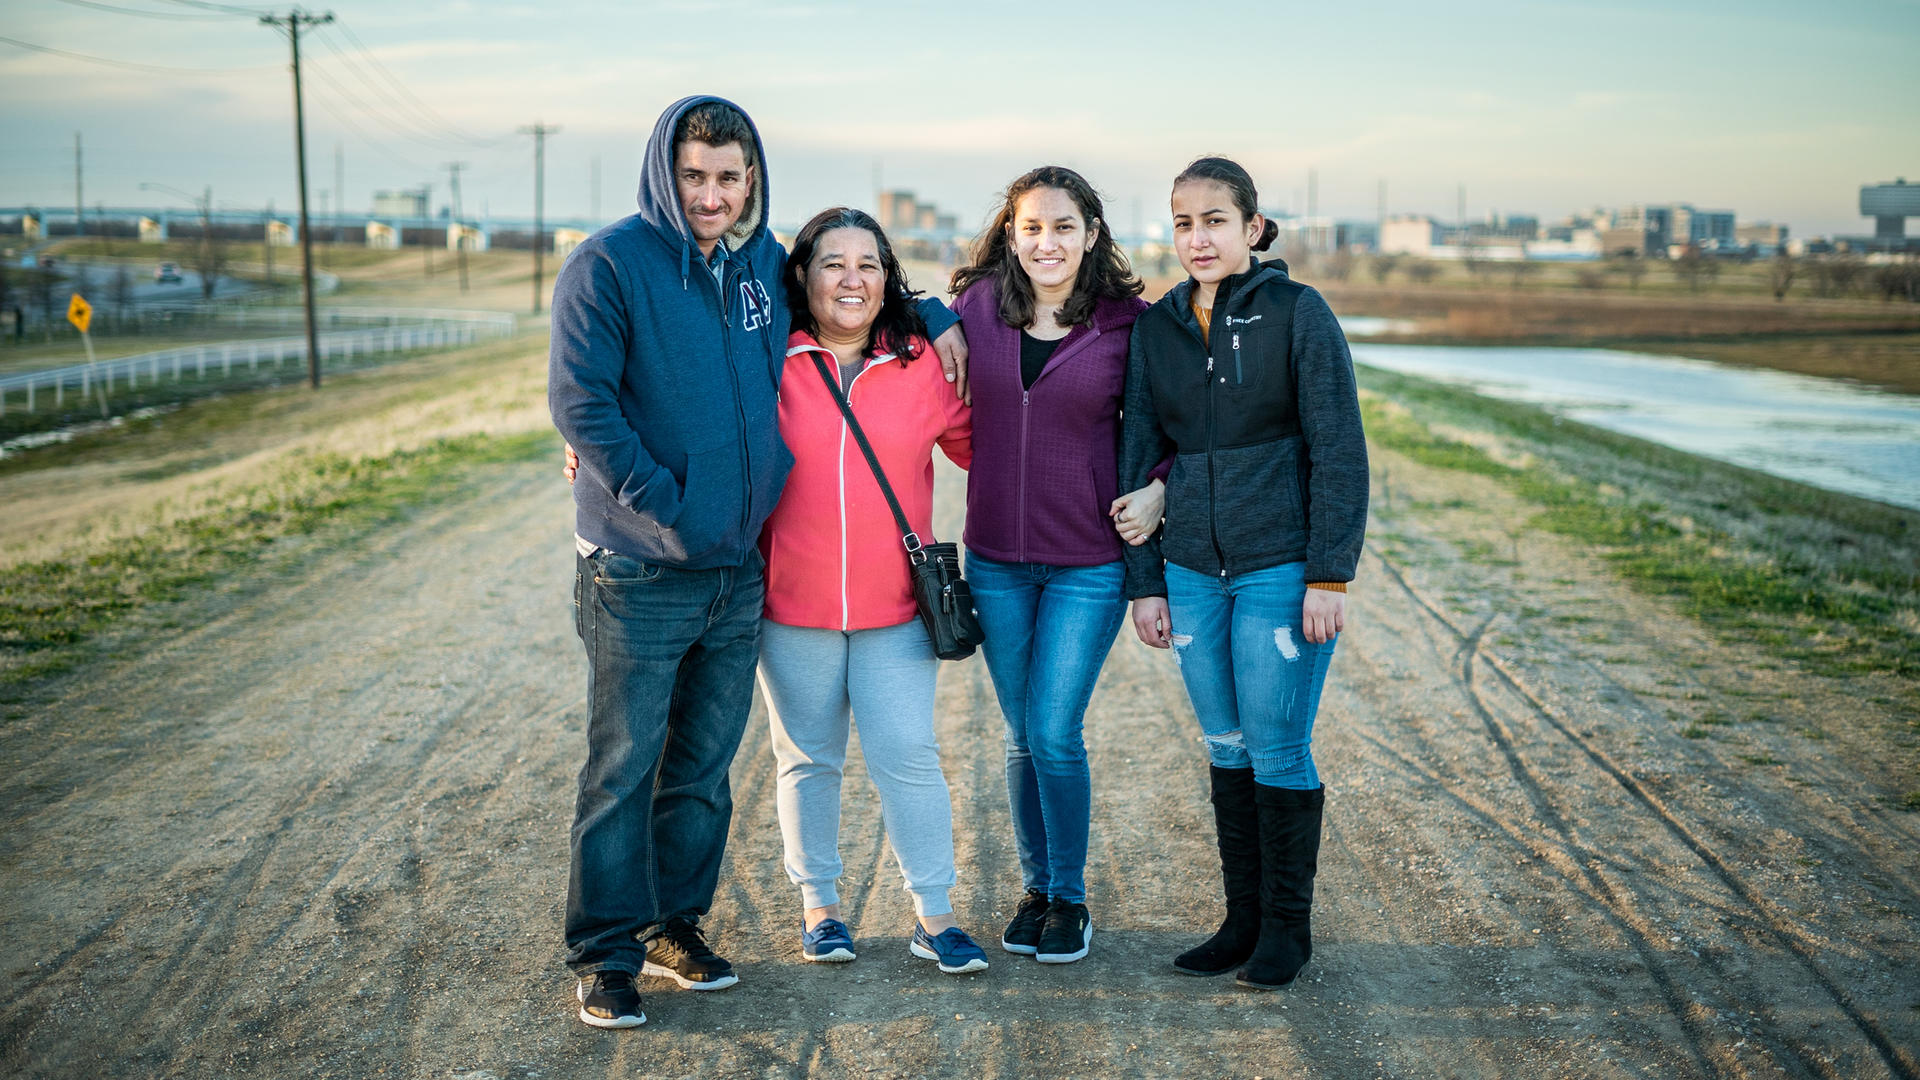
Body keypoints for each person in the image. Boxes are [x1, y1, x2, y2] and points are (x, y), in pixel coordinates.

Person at [548, 95, 967, 1030]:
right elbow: (582, 406)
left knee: (701, 768)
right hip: (638, 569)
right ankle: (606, 954)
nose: (710, 195)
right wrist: (671, 509)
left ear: (751, 180)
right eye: (693, 175)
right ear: (665, 171)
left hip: (739, 575)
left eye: (727, 178)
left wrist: (934, 307)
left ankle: (673, 928)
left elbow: (850, 283)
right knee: (624, 765)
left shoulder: (757, 265)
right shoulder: (609, 264)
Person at [1118, 156, 1368, 992]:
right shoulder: (1156, 329)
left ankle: (1287, 933)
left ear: (1253, 229)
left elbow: (1338, 450)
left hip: (1278, 567)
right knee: (1224, 744)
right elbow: (1139, 452)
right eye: (1184, 222)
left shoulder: (1299, 313)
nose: (1199, 237)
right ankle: (1242, 921)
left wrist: (1328, 577)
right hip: (1190, 571)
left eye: (1216, 220)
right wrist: (1144, 580)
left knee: (1277, 747)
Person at [756, 207, 988, 975]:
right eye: (833, 263)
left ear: (888, 278)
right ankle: (820, 910)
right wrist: (584, 446)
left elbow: (989, 447)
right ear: (803, 276)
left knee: (908, 755)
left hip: (897, 610)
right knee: (808, 760)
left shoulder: (924, 363)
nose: (852, 279)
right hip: (793, 609)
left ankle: (936, 915)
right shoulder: (768, 360)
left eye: (868, 264)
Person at [947, 166, 1161, 965]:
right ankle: (1036, 891)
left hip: (1088, 563)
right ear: (1011, 234)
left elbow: (1175, 427)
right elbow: (901, 308)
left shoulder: (1131, 325)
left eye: (1064, 227)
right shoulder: (974, 311)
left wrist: (1162, 492)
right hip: (996, 560)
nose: (1047, 242)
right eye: (1031, 227)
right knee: (1019, 736)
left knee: (1053, 730)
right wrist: (933, 312)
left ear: (1092, 235)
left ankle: (1069, 898)